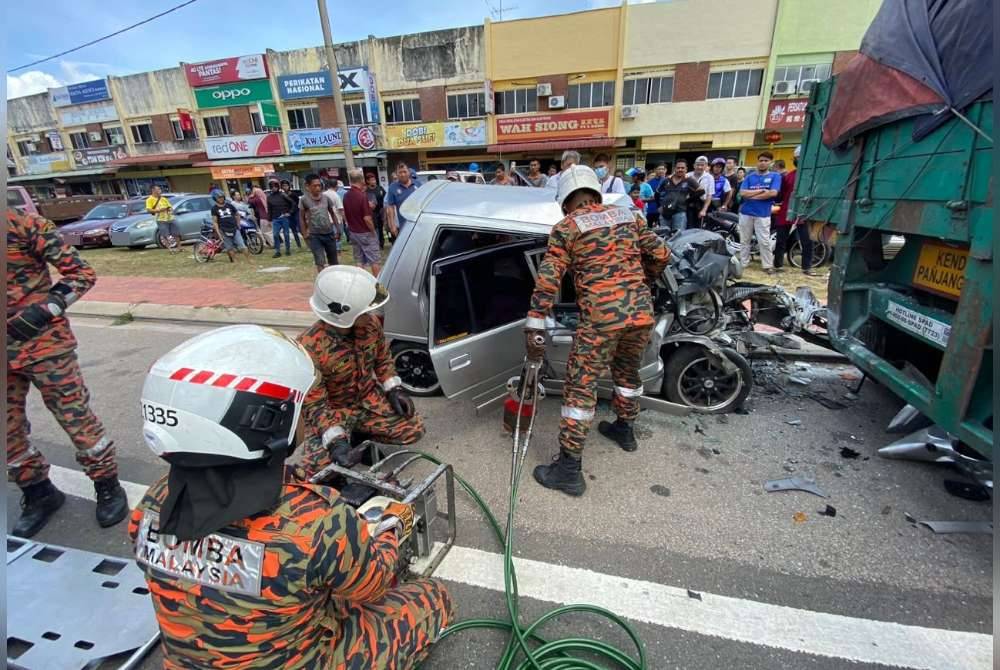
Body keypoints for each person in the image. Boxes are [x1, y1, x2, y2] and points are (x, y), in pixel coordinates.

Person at [128, 324, 452, 669]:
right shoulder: (316, 522)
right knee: (432, 597)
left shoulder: (154, 503)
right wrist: (390, 527)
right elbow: (375, 584)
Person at [524, 166, 670, 496]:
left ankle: (568, 470)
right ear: (596, 193)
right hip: (640, 313)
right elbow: (662, 254)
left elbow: (548, 280)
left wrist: (534, 322)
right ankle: (625, 429)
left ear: (565, 203)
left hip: (601, 320)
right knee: (627, 373)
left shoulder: (566, 227)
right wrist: (641, 282)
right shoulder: (628, 216)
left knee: (580, 387)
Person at [7, 209, 128, 537]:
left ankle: (107, 486)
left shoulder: (23, 223)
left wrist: (45, 309)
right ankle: (38, 492)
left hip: (44, 344)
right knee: (6, 432)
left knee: (76, 420)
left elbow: (81, 274)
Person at [297, 266, 426, 476]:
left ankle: (362, 438)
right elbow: (314, 403)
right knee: (319, 468)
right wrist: (335, 440)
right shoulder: (309, 347)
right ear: (344, 316)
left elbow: (383, 360)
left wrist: (394, 389)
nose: (372, 315)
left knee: (414, 429)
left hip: (368, 399)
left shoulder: (370, 325)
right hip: (333, 411)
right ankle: (347, 439)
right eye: (365, 312)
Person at [773, 146, 814, 276]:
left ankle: (806, 267)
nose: (798, 160)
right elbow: (781, 195)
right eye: (797, 158)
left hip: (804, 211)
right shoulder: (788, 176)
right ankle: (778, 265)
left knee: (807, 240)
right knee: (781, 240)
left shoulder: (812, 176)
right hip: (786, 210)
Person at [738, 151, 781, 274]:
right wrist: (762, 191)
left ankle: (767, 265)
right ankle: (744, 262)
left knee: (764, 241)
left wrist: (752, 195)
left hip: (763, 214)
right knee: (744, 240)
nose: (762, 163)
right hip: (746, 212)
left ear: (770, 163)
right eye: (761, 160)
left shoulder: (775, 176)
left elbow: (773, 193)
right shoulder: (750, 177)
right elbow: (742, 193)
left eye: (766, 161)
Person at [299, 173, 341, 274]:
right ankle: (322, 282)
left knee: (334, 261)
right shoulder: (304, 200)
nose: (318, 188)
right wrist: (305, 234)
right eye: (315, 186)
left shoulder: (326, 198)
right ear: (308, 186)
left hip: (329, 233)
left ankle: (334, 280)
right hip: (315, 235)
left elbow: (332, 213)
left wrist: (338, 229)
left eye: (319, 185)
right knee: (320, 261)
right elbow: (301, 218)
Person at [343, 168, 382, 276]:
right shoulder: (362, 196)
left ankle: (360, 283)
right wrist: (373, 231)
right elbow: (367, 218)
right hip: (365, 232)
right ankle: (378, 285)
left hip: (353, 231)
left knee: (359, 260)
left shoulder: (346, 196)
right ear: (362, 180)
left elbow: (345, 214)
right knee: (375, 260)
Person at [654, 159, 702, 232]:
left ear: (686, 169)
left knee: (678, 236)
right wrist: (659, 206)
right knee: (664, 236)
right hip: (665, 213)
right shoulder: (666, 180)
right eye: (678, 168)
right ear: (674, 169)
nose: (680, 169)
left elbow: (701, 191)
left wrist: (689, 199)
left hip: (680, 213)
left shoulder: (689, 180)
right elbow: (657, 193)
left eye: (682, 168)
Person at [210, 191, 251, 263]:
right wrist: (218, 233)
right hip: (223, 230)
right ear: (215, 199)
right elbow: (215, 222)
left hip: (234, 228)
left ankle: (249, 259)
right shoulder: (214, 209)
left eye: (222, 197)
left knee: (242, 245)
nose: (221, 199)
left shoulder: (229, 205)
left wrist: (238, 224)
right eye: (219, 198)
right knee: (229, 247)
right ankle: (235, 260)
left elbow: (237, 214)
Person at [385, 162, 420, 238]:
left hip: (419, 224)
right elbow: (390, 207)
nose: (403, 174)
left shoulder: (418, 184)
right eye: (400, 172)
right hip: (404, 226)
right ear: (396, 174)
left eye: (405, 172)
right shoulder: (392, 187)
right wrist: (392, 225)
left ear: (409, 172)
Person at [266, 178, 296, 258]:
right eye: (272, 187)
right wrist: (269, 220)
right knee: (275, 235)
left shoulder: (283, 195)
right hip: (275, 219)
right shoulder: (269, 197)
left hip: (284, 218)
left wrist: (289, 213)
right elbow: (269, 209)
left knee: (286, 234)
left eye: (275, 186)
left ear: (278, 187)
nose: (274, 188)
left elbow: (293, 203)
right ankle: (278, 251)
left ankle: (288, 250)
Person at [145, 185, 179, 253]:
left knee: (176, 233)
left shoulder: (163, 198)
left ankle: (179, 248)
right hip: (160, 219)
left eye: (160, 189)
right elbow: (148, 210)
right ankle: (170, 250)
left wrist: (170, 210)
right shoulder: (149, 200)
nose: (160, 190)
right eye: (158, 189)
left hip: (170, 218)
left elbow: (170, 207)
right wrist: (159, 210)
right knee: (165, 235)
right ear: (153, 190)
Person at [688, 156, 715, 228]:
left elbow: (709, 195)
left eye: (702, 165)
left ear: (706, 166)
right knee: (688, 227)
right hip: (689, 205)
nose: (700, 167)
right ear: (694, 165)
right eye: (698, 165)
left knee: (699, 228)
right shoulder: (688, 175)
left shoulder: (709, 177)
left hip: (701, 205)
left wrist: (704, 210)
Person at [322, 179, 348, 250]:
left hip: (325, 219)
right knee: (338, 236)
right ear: (336, 186)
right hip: (336, 220)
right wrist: (346, 220)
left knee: (328, 236)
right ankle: (337, 250)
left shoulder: (323, 194)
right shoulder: (336, 196)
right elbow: (341, 209)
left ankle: (330, 249)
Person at [365, 172, 387, 249]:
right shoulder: (366, 191)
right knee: (375, 228)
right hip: (372, 213)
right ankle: (377, 243)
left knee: (381, 228)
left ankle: (382, 243)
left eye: (374, 179)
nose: (373, 181)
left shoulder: (380, 188)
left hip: (381, 211)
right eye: (371, 180)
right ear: (368, 181)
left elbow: (386, 199)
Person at [280, 179, 304, 250]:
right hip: (288, 214)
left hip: (296, 212)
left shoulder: (293, 194)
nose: (285, 187)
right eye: (283, 186)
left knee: (300, 228)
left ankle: (308, 242)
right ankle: (299, 245)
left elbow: (298, 203)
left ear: (289, 186)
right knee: (293, 230)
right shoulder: (282, 195)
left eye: (286, 186)